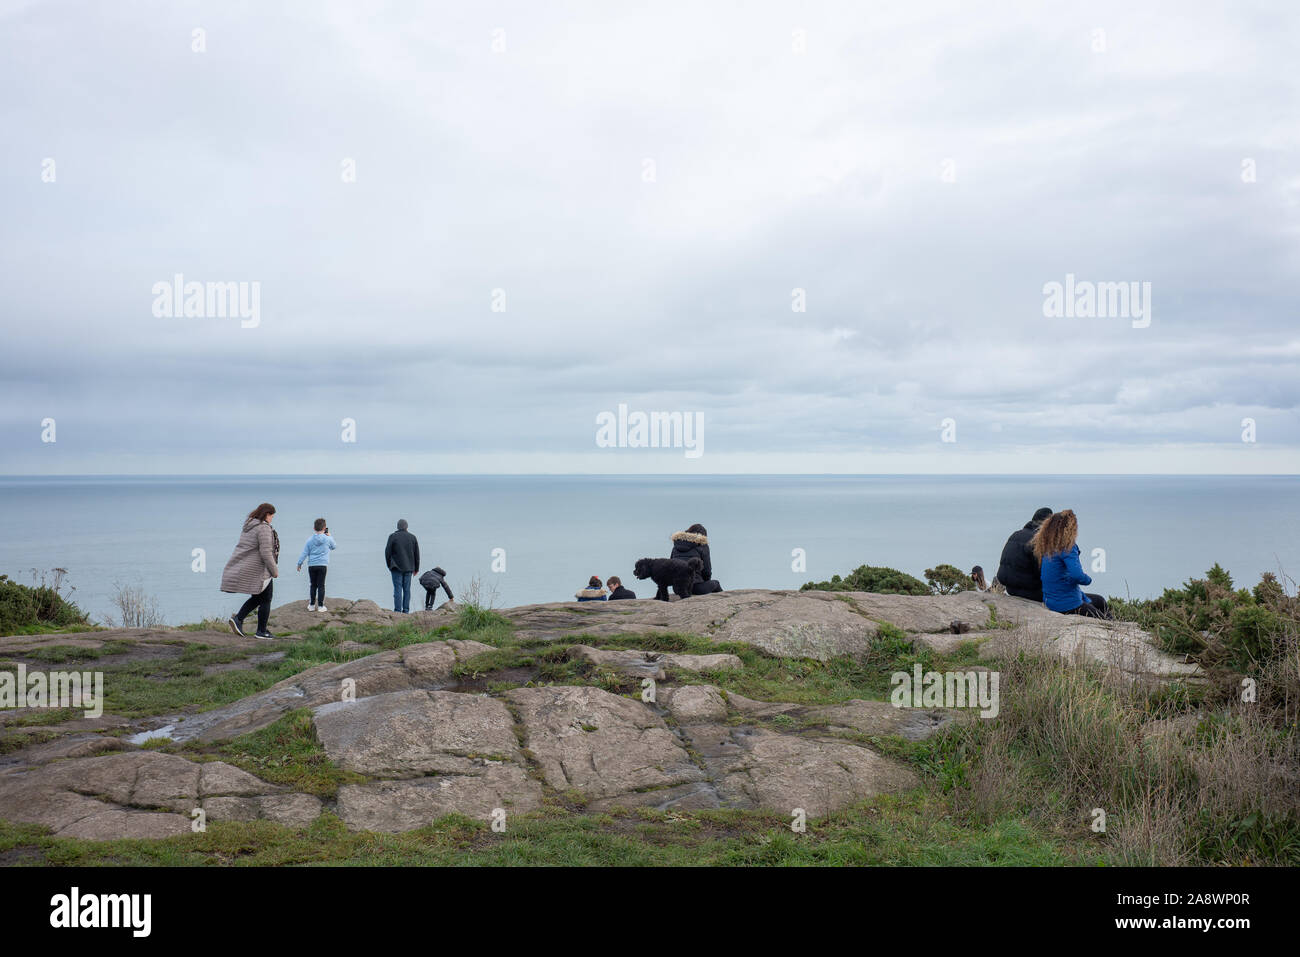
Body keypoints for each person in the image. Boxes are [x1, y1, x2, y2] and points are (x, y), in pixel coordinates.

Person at [1032, 509, 1111, 619]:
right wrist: (1087, 579)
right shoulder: (1067, 547)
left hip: (1051, 601)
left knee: (1099, 600)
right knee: (1104, 620)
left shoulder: (1047, 546)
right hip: (1067, 604)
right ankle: (1114, 628)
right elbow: (1077, 575)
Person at [221, 503, 280, 639]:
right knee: (266, 598)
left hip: (249, 567)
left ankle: (239, 619)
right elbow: (266, 552)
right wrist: (274, 570)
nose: (272, 519)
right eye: (272, 516)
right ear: (267, 514)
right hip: (259, 569)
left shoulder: (249, 526)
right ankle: (261, 631)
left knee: (258, 597)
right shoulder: (263, 528)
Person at [995, 507, 1052, 602]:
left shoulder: (1016, 534)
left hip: (1010, 589)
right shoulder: (1037, 540)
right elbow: (1042, 572)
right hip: (1029, 591)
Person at [670, 523, 723, 594]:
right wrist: (705, 582)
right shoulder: (703, 546)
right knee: (716, 584)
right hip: (695, 587)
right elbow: (707, 570)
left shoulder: (676, 546)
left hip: (677, 588)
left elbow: (670, 566)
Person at [296, 518, 336, 612]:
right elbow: (333, 546)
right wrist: (330, 536)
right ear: (325, 528)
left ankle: (312, 605)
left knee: (313, 585)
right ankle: (321, 606)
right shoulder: (327, 539)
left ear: (314, 528)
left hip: (312, 565)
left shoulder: (309, 540)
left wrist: (299, 563)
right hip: (322, 565)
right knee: (321, 585)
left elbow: (304, 553)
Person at [384, 519, 420, 613]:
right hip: (409, 567)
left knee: (398, 589)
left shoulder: (392, 536)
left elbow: (387, 552)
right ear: (406, 527)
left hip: (396, 567)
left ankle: (397, 610)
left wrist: (389, 565)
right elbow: (417, 554)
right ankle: (406, 610)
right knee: (407, 590)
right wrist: (416, 568)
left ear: (398, 527)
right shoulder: (412, 537)